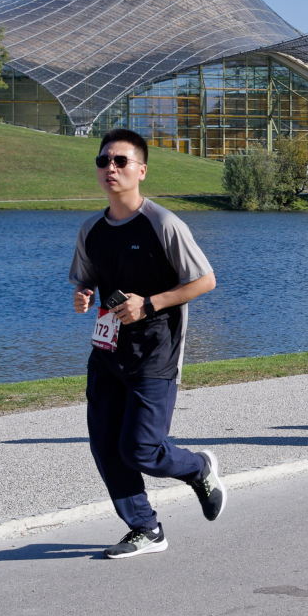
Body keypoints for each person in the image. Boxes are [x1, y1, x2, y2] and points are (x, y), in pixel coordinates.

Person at [70, 128, 224, 558]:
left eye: (120, 161)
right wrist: (83, 294)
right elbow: (86, 279)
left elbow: (205, 281)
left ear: (141, 170)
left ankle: (198, 468)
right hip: (107, 351)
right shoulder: (91, 229)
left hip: (156, 352)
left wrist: (150, 304)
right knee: (106, 446)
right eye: (103, 161)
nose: (110, 168)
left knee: (141, 449)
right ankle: (145, 528)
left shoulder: (163, 223)